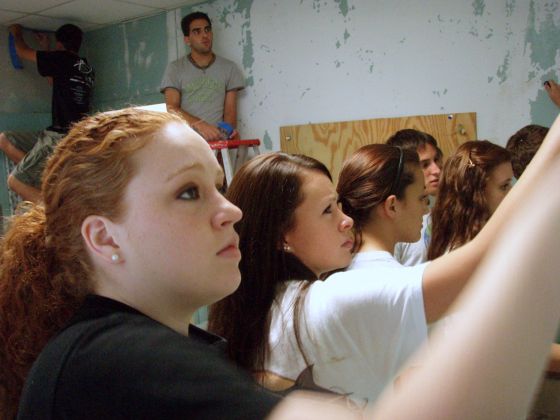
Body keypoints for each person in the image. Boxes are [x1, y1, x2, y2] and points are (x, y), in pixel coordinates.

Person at [2, 108, 560, 419]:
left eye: (218, 188)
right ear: (105, 238)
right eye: (189, 193)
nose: (231, 210)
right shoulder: (112, 359)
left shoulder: (170, 348)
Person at [210, 111, 560, 408]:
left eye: (341, 206)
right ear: (282, 236)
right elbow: (478, 265)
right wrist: (552, 154)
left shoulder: (272, 302)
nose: (345, 220)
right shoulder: (322, 304)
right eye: (327, 211)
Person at [0, 24, 94, 203]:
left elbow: (22, 51)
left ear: (59, 44)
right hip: (69, 134)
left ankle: (56, 213)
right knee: (5, 140)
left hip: (59, 136)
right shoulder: (85, 67)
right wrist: (46, 49)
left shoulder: (61, 59)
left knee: (16, 182)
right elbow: (53, 80)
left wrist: (16, 32)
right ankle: (49, 175)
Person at [160, 11, 245, 141]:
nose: (204, 35)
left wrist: (223, 135)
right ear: (187, 40)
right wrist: (200, 125)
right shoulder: (175, 68)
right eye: (197, 32)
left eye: (207, 30)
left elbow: (230, 114)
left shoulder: (229, 68)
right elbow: (172, 108)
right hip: (186, 143)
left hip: (218, 145)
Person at [428, 140, 513, 259]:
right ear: (477, 192)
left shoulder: (494, 237)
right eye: (504, 186)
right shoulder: (462, 253)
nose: (512, 192)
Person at [386, 129, 443, 265]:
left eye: (436, 160)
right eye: (424, 164)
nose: (436, 170)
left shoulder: (437, 209)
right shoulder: (392, 219)